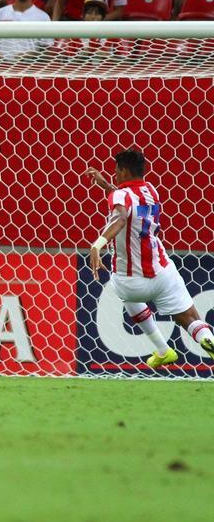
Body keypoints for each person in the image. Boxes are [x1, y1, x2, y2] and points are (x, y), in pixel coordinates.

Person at [86, 150, 214, 368]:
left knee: (122, 287)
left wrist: (97, 244)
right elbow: (128, 201)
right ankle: (206, 339)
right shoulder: (151, 191)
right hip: (162, 274)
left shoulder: (120, 198)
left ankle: (163, 349)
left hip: (129, 283)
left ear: (124, 171)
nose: (115, 174)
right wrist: (107, 185)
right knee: (189, 317)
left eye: (116, 170)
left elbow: (121, 216)